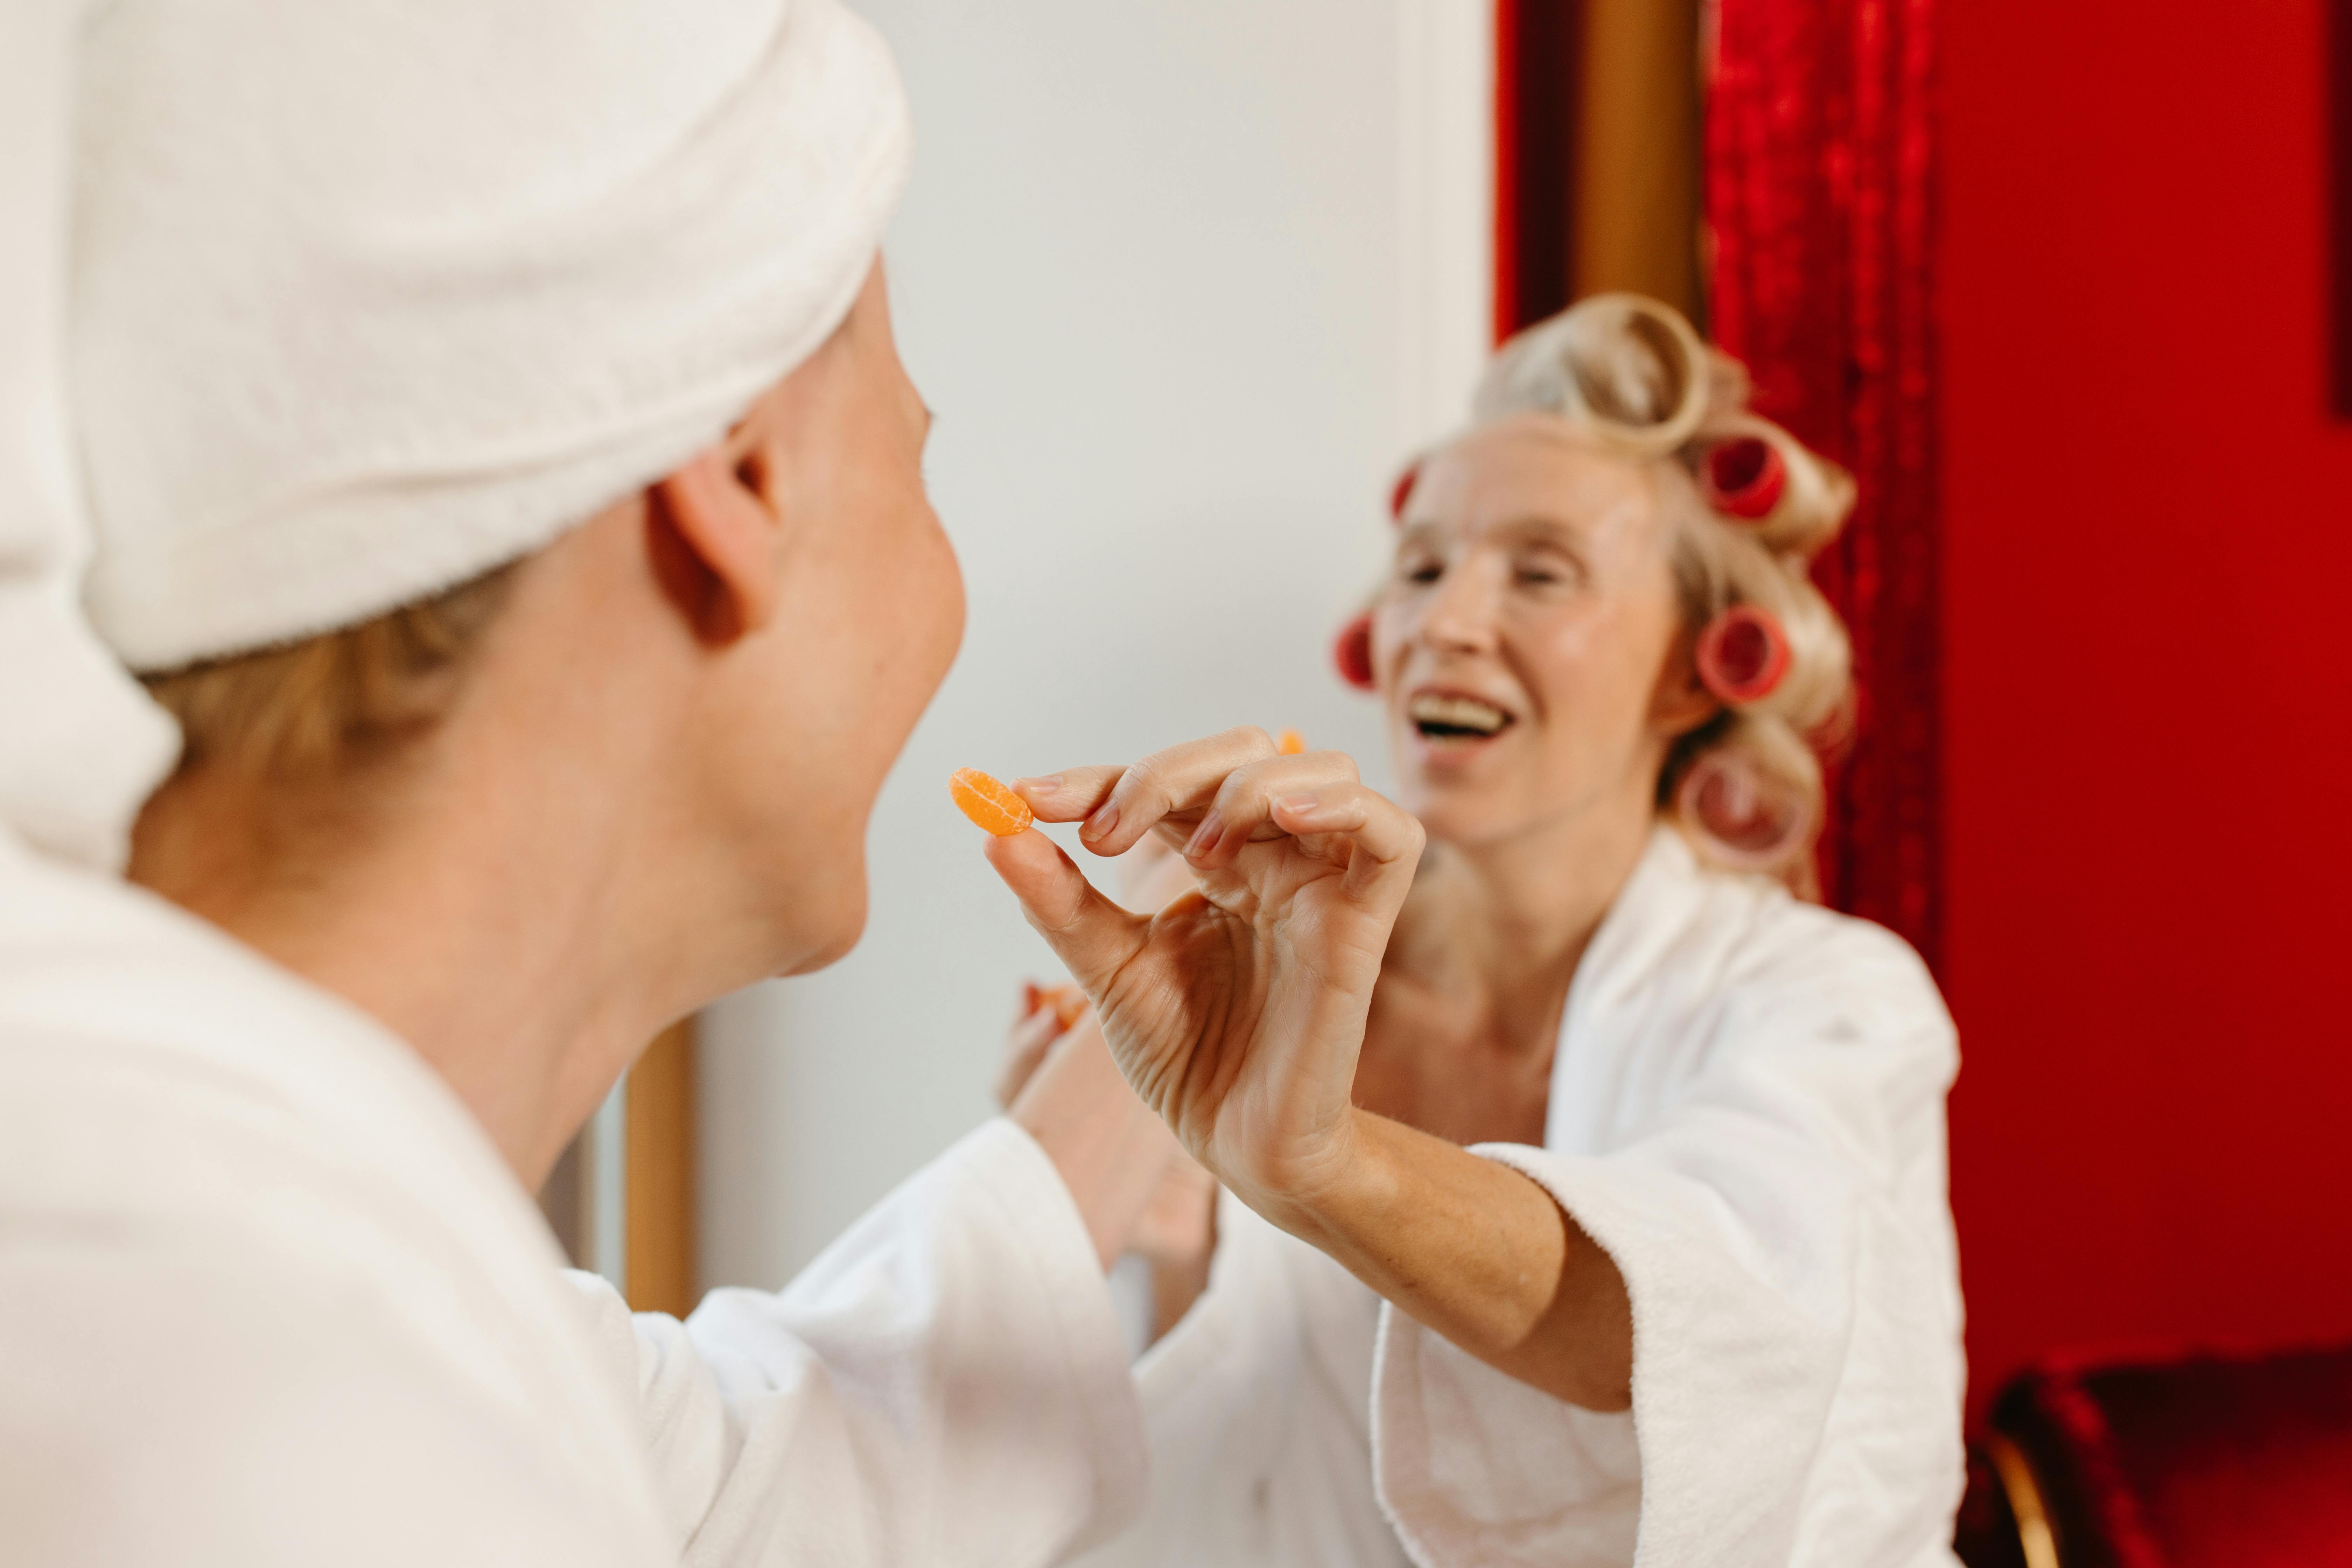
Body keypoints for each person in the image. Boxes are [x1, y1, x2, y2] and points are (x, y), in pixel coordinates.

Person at [0, 3, 1422, 1563]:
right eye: (920, 453)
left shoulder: (239, 1254)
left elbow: (756, 1484)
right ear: (741, 482)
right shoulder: (251, 1410)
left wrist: (1155, 1074)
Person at [993, 296, 1966, 1567]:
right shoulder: (1252, 978)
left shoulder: (1831, 1004)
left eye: (1540, 571)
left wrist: (1318, 1162)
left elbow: (1690, 1344)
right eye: (1422, 568)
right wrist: (1168, 1240)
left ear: (1691, 670)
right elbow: (1257, 1469)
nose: (1446, 623)